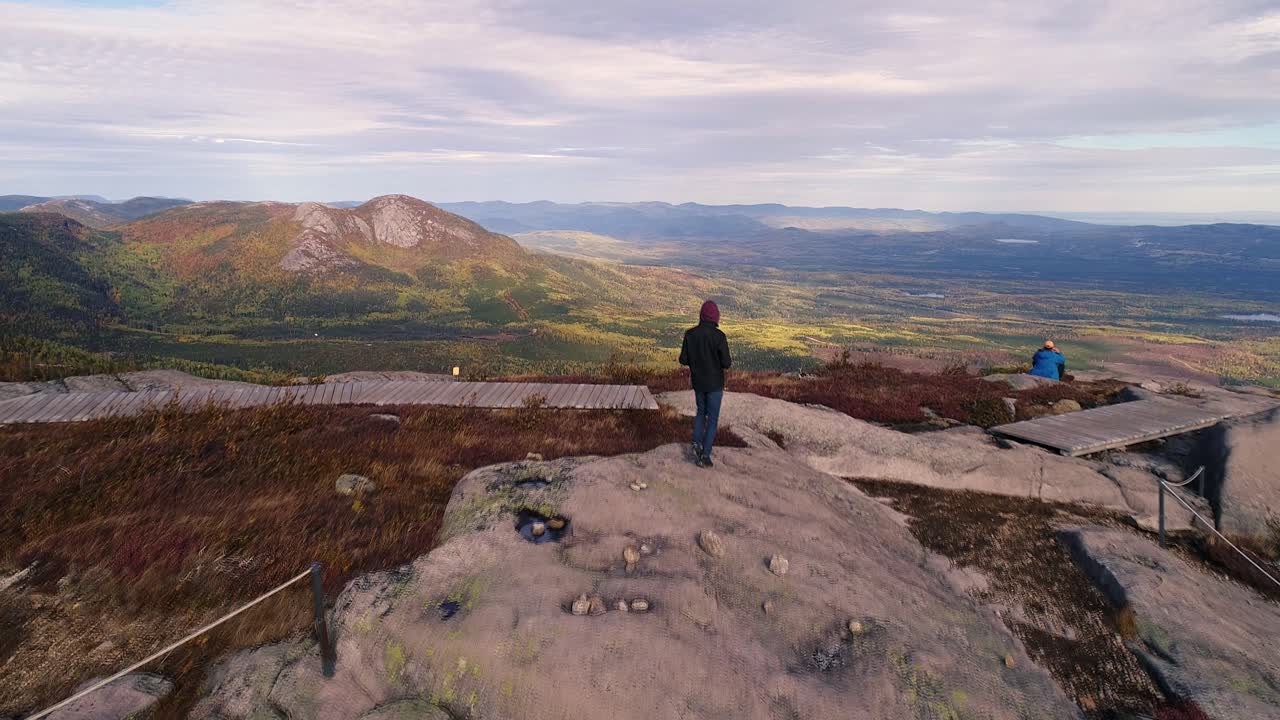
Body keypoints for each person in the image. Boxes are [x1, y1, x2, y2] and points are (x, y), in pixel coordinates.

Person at [679, 300, 732, 467]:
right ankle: (705, 455)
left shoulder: (690, 334)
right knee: (713, 419)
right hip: (715, 384)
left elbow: (683, 359)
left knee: (701, 412)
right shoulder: (719, 336)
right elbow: (726, 363)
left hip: (698, 382)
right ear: (716, 317)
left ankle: (696, 442)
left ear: (701, 316)